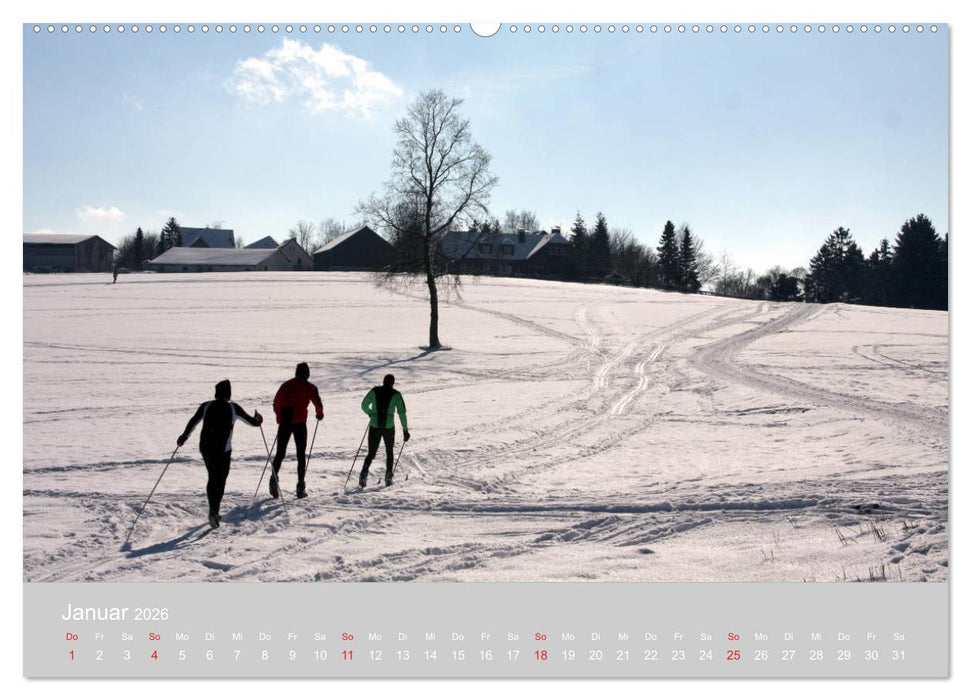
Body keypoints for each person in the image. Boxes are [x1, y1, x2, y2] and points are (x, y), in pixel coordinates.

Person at [178, 379, 263, 529]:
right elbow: (252, 422)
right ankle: (214, 512)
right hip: (223, 449)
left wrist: (184, 437)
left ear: (216, 392)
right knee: (221, 479)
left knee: (212, 476)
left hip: (205, 446)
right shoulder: (233, 407)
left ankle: (213, 510)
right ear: (228, 393)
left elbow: (193, 422)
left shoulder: (206, 405)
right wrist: (258, 419)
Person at [270, 362, 324, 499]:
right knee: (301, 454)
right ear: (307, 374)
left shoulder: (286, 385)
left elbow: (276, 402)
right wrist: (319, 413)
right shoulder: (309, 386)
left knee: (280, 453)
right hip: (300, 423)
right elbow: (317, 402)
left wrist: (280, 418)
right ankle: (300, 487)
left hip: (285, 422)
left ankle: (273, 480)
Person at [359, 374, 409, 488]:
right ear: (393, 383)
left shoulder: (375, 391)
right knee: (389, 452)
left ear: (383, 381)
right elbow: (402, 413)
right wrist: (405, 430)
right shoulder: (396, 394)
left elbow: (364, 405)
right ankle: (388, 477)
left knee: (371, 453)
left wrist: (371, 413)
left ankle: (363, 475)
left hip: (374, 426)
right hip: (388, 428)